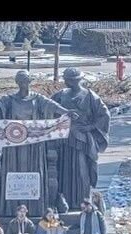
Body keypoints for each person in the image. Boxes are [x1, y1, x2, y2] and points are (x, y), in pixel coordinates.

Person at [0, 70, 73, 216]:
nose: (24, 84)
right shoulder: (10, 99)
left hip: (34, 147)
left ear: (30, 82)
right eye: (21, 82)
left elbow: (52, 106)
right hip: (13, 148)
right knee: (12, 174)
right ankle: (12, 208)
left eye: (26, 81)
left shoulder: (37, 99)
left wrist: (66, 112)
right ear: (17, 83)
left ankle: (36, 207)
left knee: (35, 174)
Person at [50, 67, 110, 210]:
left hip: (82, 141)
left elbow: (104, 115)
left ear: (75, 80)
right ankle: (63, 201)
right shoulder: (60, 95)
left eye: (67, 79)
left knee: (81, 172)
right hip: (63, 140)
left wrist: (90, 127)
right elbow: (48, 109)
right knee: (62, 171)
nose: (65, 81)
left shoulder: (90, 96)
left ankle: (82, 202)